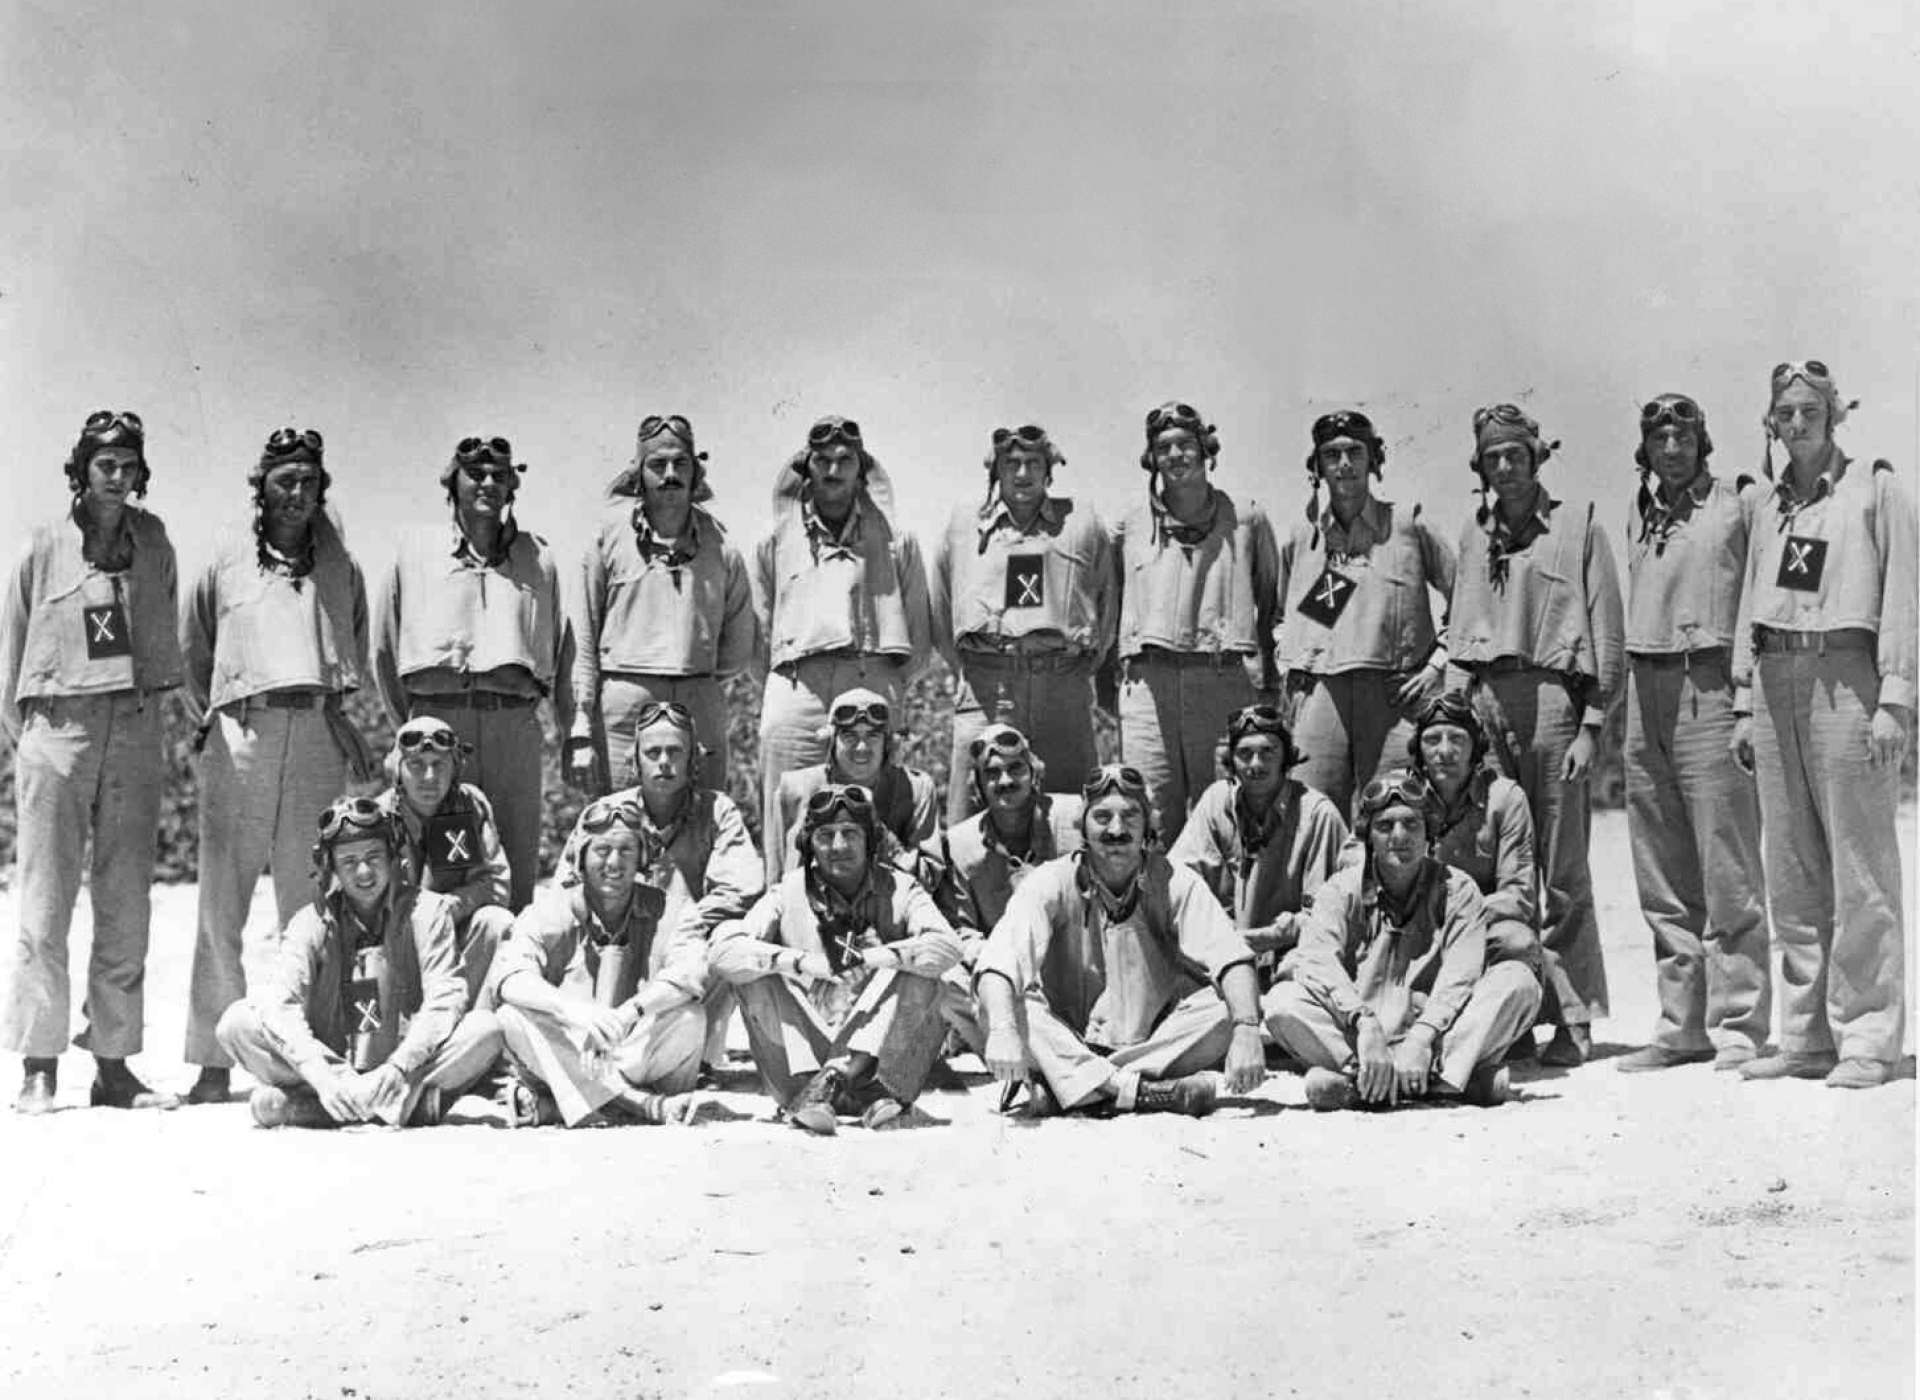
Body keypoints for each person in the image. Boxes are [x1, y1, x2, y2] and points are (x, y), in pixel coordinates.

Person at [1731, 360, 1915, 1089]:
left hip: (1847, 676)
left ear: (1834, 414)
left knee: (1859, 863)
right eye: (1785, 413)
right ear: (1771, 422)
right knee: (1793, 865)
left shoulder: (1875, 487)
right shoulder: (1772, 505)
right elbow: (1753, 597)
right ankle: (1804, 1036)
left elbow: (1904, 591)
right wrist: (1745, 703)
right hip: (1777, 680)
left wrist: (1895, 699)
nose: (1797, 424)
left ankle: (1867, 1037)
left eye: (1811, 410)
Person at [180, 426, 375, 1106]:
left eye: (309, 483)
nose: (297, 495)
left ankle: (313, 1049)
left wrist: (340, 710)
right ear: (261, 487)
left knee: (314, 900)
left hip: (316, 730)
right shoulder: (226, 561)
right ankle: (212, 1060)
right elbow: (194, 648)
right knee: (221, 901)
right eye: (284, 481)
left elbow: (353, 643)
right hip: (243, 730)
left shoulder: (339, 565)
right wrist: (221, 716)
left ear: (322, 491)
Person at [1, 410, 183, 1112]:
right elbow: (8, 656)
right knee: (45, 901)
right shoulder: (42, 545)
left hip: (133, 727)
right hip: (58, 731)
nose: (119, 476)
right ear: (80, 470)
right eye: (106, 463)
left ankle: (114, 1064)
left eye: (130, 464)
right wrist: (39, 739)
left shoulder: (154, 540)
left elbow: (163, 626)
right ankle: (39, 1064)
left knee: (126, 899)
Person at [1446, 403, 1623, 1066]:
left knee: (1564, 869)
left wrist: (1592, 723)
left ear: (1535, 457)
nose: (1504, 468)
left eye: (1515, 455)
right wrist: (1453, 719)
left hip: (1553, 697)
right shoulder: (1474, 531)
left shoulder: (1578, 527)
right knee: (1498, 866)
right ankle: (1515, 1011)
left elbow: (1605, 630)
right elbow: (1461, 636)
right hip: (1486, 703)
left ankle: (1574, 1018)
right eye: (1492, 458)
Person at [974, 764, 1267, 1118]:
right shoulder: (1049, 880)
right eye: (1101, 817)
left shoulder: (1177, 880)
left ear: (1148, 824)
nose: (1116, 829)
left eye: (1130, 816)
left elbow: (1231, 957)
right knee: (1000, 1007)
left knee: (1228, 1009)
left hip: (1149, 1043)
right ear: (1082, 826)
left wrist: (1248, 1029)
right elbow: (1000, 962)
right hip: (1068, 1036)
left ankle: (1077, 1088)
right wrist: (1005, 1030)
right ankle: (1139, 1092)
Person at [1617, 395, 1770, 1073]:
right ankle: (1681, 1024)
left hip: (1708, 679)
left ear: (1703, 442)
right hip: (1643, 684)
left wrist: (1745, 695)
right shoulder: (1639, 513)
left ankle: (1738, 1023)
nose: (1670, 446)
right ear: (1645, 449)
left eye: (1683, 435)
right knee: (1661, 866)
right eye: (1658, 436)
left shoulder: (1738, 504)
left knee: (1726, 862)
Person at [214, 797, 503, 1129]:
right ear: (331, 868)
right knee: (235, 1024)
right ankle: (403, 1109)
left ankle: (318, 1110)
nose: (364, 872)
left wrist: (398, 1066)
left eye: (374, 857)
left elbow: (445, 1000)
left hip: (405, 1067)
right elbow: (280, 1005)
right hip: (333, 1068)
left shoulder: (428, 911)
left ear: (394, 859)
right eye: (348, 861)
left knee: (486, 1030)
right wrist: (324, 1075)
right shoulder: (309, 922)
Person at [373, 434, 574, 909]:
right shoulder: (415, 551)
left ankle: (508, 976)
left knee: (515, 869)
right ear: (452, 483)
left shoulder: (537, 559)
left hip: (512, 730)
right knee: (450, 871)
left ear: (511, 488)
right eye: (475, 474)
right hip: (440, 731)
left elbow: (558, 648)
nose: (487, 483)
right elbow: (383, 649)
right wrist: (415, 728)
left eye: (499, 476)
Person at [1264, 769, 1541, 1111]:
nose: (1400, 836)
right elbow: (1318, 962)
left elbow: (1461, 974)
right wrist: (1363, 1022)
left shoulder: (1459, 889)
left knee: (1519, 982)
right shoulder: (1340, 889)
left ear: (1430, 833)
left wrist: (1423, 1036)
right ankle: (1441, 1083)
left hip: (1434, 1037)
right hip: (1362, 1038)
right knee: (1281, 1002)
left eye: (1412, 824)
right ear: (1368, 837)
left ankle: (1369, 1085)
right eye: (1385, 826)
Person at [709, 784, 961, 1135]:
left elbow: (949, 946)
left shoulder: (902, 889)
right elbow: (722, 951)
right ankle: (834, 1080)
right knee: (752, 971)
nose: (838, 847)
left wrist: (873, 958)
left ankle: (838, 1076)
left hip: (882, 1074)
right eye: (825, 835)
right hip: (800, 1073)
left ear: (870, 840)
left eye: (850, 834)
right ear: (809, 844)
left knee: (926, 971)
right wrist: (797, 961)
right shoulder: (788, 891)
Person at [552, 699, 765, 1079]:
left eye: (675, 751)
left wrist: (677, 921)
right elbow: (566, 889)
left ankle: (696, 1055)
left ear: (692, 761)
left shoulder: (718, 811)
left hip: (685, 949)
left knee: (734, 937)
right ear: (635, 762)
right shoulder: (605, 813)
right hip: (615, 943)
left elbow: (744, 888)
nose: (664, 761)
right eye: (653, 752)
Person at [750, 416, 931, 845]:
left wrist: (885, 682)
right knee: (789, 811)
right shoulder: (773, 541)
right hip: (796, 689)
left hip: (872, 681)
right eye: (823, 461)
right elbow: (757, 636)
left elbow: (920, 639)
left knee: (876, 814)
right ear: (806, 467)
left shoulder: (896, 541)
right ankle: (783, 905)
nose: (833, 471)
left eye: (844, 460)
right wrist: (789, 685)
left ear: (860, 468)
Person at [488, 794, 716, 1127]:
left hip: (633, 1049)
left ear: (641, 857)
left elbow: (689, 974)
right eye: (602, 850)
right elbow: (510, 977)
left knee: (689, 1018)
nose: (614, 862)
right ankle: (640, 1105)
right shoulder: (549, 910)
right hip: (573, 1044)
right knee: (510, 1017)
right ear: (580, 857)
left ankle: (566, 1104)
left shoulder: (674, 910)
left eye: (626, 850)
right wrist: (575, 1012)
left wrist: (628, 1014)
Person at [1110, 401, 1280, 844]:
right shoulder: (1128, 521)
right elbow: (1108, 598)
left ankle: (1229, 912)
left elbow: (1271, 603)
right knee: (1149, 811)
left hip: (1222, 678)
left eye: (1186, 444)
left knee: (1227, 810)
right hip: (1149, 683)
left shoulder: (1246, 517)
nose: (1175, 455)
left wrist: (1268, 683)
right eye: (1163, 447)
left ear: (1206, 449)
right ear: (1151, 457)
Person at [929, 424, 1116, 820]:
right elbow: (941, 607)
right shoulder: (964, 525)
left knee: (1071, 815)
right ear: (995, 470)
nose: (1022, 474)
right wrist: (978, 669)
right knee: (970, 819)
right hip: (987, 689)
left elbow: (1107, 603)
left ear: (1049, 470)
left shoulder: (1080, 523)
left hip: (1061, 688)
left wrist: (1068, 669)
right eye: (1010, 463)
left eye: (1033, 463)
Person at [1275, 410, 1455, 817]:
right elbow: (1285, 617)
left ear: (1373, 460)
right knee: (1314, 815)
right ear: (1317, 467)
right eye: (1332, 455)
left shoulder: (1407, 526)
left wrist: (1435, 666)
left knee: (1395, 812)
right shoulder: (1308, 539)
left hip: (1393, 695)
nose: (1344, 464)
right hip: (1323, 695)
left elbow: (1467, 599)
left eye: (1354, 452)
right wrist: (1290, 664)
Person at [566, 416, 755, 794]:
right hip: (623, 712)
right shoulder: (608, 539)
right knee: (620, 830)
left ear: (696, 471)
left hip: (699, 702)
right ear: (638, 473)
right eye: (657, 464)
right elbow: (582, 638)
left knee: (701, 824)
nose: (670, 474)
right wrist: (582, 726)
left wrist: (693, 677)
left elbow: (737, 644)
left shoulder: (722, 547)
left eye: (680, 463)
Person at [918, 724, 1084, 1052]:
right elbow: (961, 931)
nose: (1005, 781)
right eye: (992, 774)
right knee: (941, 980)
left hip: (1077, 968)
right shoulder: (961, 845)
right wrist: (999, 963)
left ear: (1034, 775)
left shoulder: (1072, 818)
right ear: (978, 787)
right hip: (1008, 977)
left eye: (1015, 769)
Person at [1167, 705, 1347, 989]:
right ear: (1231, 761)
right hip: (1223, 951)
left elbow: (1332, 914)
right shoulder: (1216, 802)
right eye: (1244, 754)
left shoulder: (1317, 813)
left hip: (1294, 954)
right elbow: (1177, 880)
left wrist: (1269, 937)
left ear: (1285, 758)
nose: (1255, 764)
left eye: (1267, 752)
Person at [1398, 692, 1545, 1009]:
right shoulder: (1397, 794)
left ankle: (1508, 1020)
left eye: (1457, 739)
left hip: (1477, 928)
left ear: (1476, 747)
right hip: (1410, 929)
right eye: (1433, 740)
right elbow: (1355, 863)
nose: (1445, 751)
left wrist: (1457, 914)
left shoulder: (1505, 798)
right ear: (1418, 749)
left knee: (1517, 942)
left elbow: (1518, 896)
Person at [374, 716, 512, 1009]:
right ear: (396, 770)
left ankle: (473, 1019)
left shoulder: (468, 805)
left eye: (439, 765)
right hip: (396, 947)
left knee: (497, 923)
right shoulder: (377, 819)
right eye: (416, 765)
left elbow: (497, 885)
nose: (429, 777)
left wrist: (452, 906)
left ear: (456, 768)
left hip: (454, 935)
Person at [763, 687, 937, 881]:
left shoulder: (915, 789)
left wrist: (881, 834)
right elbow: (776, 880)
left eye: (872, 736)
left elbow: (929, 878)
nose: (861, 747)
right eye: (849, 736)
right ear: (831, 742)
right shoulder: (795, 790)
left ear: (888, 743)